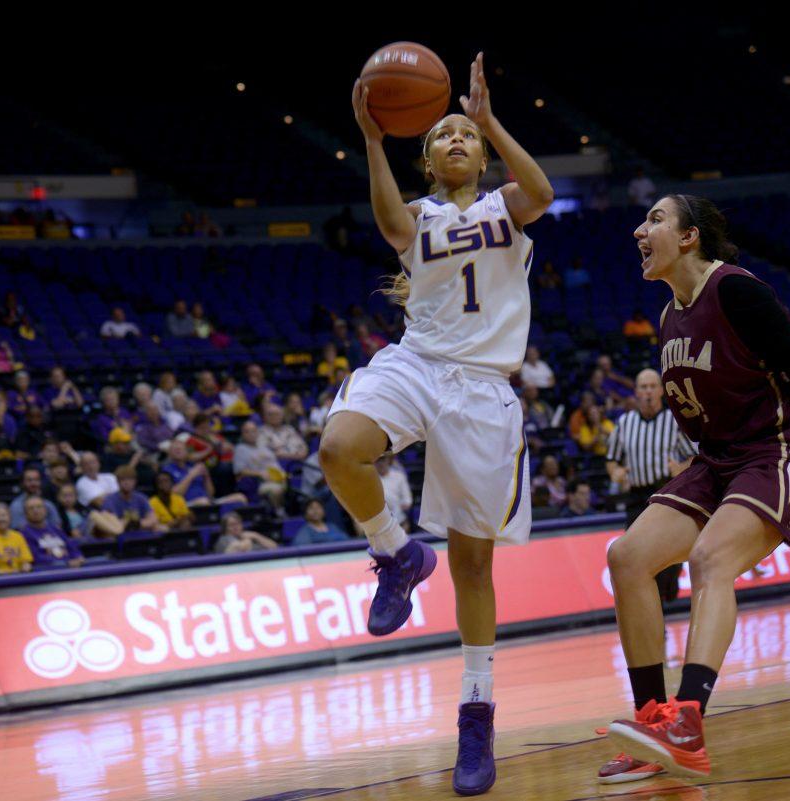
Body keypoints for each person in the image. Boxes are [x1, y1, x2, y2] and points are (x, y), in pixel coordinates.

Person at [323, 54, 553, 795]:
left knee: (473, 566)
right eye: (443, 135)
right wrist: (370, 138)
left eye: (466, 136)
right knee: (338, 447)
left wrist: (489, 117)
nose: (455, 140)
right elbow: (388, 221)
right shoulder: (418, 216)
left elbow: (543, 192)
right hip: (417, 362)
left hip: (484, 389)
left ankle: (476, 710)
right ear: (425, 159)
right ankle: (394, 553)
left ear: (482, 156)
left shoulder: (502, 210)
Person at [600, 194, 790, 782]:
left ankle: (689, 721)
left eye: (655, 220)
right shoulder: (668, 318)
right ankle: (652, 723)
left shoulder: (738, 291)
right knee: (627, 557)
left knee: (709, 558)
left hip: (778, 451)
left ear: (689, 237)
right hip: (717, 462)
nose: (640, 230)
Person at [605, 369, 697, 605]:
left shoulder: (674, 421)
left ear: (661, 391)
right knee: (638, 559)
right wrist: (615, 471)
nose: (647, 392)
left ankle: (669, 586)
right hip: (636, 498)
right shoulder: (625, 423)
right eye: (643, 387)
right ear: (636, 392)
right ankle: (653, 616)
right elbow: (611, 459)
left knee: (668, 558)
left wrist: (682, 467)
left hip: (665, 494)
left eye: (652, 386)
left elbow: (694, 458)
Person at [19, 496, 85, 568]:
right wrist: (66, 562)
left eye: (39, 507)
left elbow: (72, 547)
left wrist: (78, 557)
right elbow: (36, 558)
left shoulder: (55, 529)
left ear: (45, 510)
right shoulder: (24, 534)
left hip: (70, 568)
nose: (36, 510)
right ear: (25, 514)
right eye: (31, 508)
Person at [102, 466, 161, 532]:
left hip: (141, 533)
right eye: (123, 480)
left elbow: (153, 519)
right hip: (120, 536)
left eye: (130, 479)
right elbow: (110, 524)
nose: (127, 483)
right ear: (117, 482)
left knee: (158, 527)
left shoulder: (141, 498)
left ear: (135, 481)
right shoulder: (110, 500)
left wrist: (135, 523)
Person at [375, 454, 413, 529]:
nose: (380, 463)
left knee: (405, 524)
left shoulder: (399, 476)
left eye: (382, 459)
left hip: (398, 516)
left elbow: (407, 500)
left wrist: (403, 506)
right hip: (378, 517)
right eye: (377, 460)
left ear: (388, 460)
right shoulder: (370, 479)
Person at [213, 511, 277, 554]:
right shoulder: (224, 539)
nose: (236, 527)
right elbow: (242, 548)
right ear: (225, 528)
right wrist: (247, 540)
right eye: (232, 525)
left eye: (238, 524)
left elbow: (274, 547)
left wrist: (256, 535)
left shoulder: (250, 536)